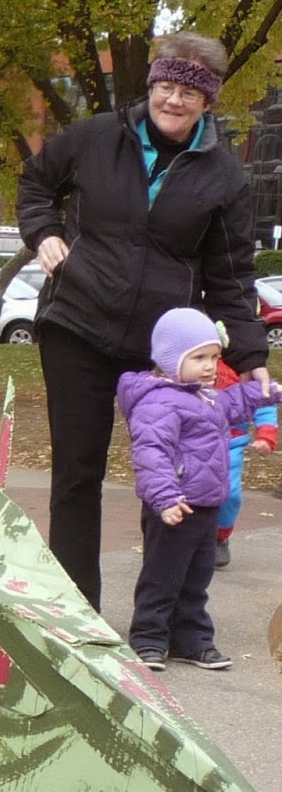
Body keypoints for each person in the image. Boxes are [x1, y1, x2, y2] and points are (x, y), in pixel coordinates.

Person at [16, 33, 268, 612]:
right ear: (151, 85)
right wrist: (45, 232)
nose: (172, 101)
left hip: (163, 349)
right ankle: (77, 614)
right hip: (76, 324)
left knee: (171, 476)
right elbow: (35, 185)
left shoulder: (224, 179)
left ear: (209, 102)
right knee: (77, 473)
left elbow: (231, 275)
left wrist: (251, 358)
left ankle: (157, 621)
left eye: (188, 92)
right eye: (165, 86)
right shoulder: (93, 138)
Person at [117, 307, 280, 671]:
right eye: (199, 358)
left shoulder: (203, 395)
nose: (210, 366)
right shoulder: (157, 402)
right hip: (175, 504)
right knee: (163, 576)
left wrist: (269, 393)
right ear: (171, 359)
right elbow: (151, 454)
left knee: (197, 577)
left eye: (214, 357)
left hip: (206, 503)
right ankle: (148, 639)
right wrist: (165, 498)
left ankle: (191, 640)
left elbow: (234, 401)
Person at [213, 356, 276, 568]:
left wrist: (266, 435)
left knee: (229, 492)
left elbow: (263, 400)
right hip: (193, 442)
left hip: (232, 442)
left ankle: (220, 536)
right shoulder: (194, 357)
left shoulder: (245, 360)